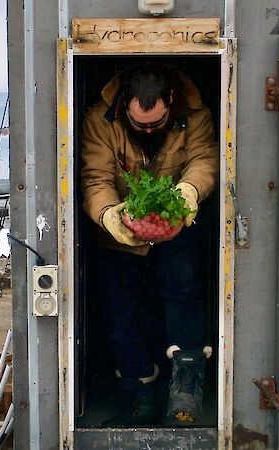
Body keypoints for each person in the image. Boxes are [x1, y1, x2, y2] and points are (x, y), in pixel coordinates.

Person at [80, 63, 219, 426]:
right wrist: (110, 215)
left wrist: (188, 193)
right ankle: (137, 396)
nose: (147, 130)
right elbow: (95, 177)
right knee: (120, 314)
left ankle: (186, 393)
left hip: (178, 227)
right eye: (139, 124)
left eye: (155, 124)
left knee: (184, 293)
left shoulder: (196, 114)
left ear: (170, 102)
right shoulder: (99, 118)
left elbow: (204, 160)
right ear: (124, 102)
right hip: (120, 232)